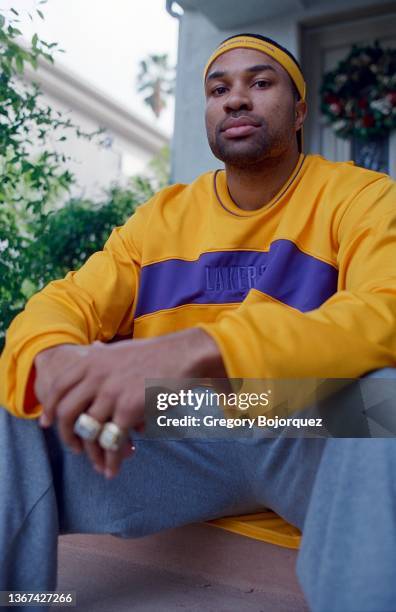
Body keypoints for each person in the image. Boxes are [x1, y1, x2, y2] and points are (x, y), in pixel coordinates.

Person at [1, 33, 396, 612]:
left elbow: (383, 310)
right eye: (219, 89)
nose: (236, 99)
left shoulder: (361, 196)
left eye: (260, 83)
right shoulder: (160, 218)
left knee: (385, 402)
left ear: (300, 110)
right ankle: (25, 598)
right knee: (21, 388)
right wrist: (56, 357)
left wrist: (204, 346)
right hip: (180, 416)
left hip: (294, 412)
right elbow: (65, 303)